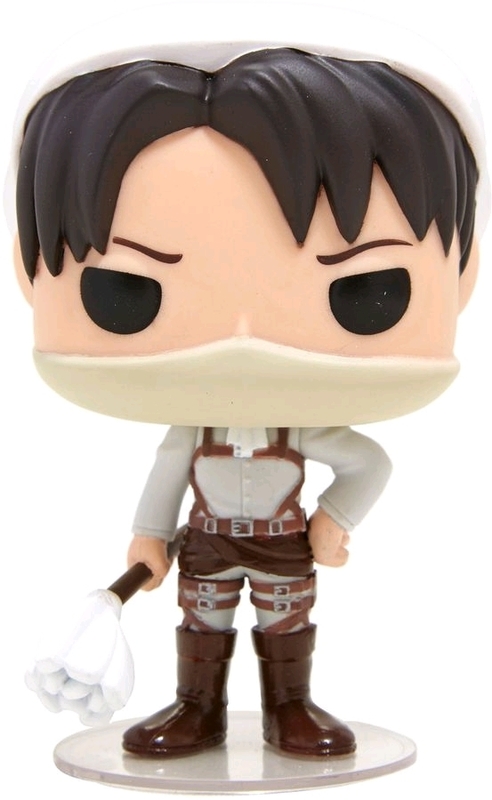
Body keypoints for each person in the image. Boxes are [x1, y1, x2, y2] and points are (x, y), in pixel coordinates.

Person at [11, 9, 486, 760]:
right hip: (205, 543)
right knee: (200, 624)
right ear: (24, 268)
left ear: (464, 275)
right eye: (124, 293)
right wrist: (149, 536)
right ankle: (195, 706)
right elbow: (167, 473)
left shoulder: (303, 431)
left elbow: (369, 463)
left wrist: (334, 519)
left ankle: (290, 706)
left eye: (365, 292)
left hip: (283, 547)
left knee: (285, 623)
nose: (241, 344)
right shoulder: (192, 432)